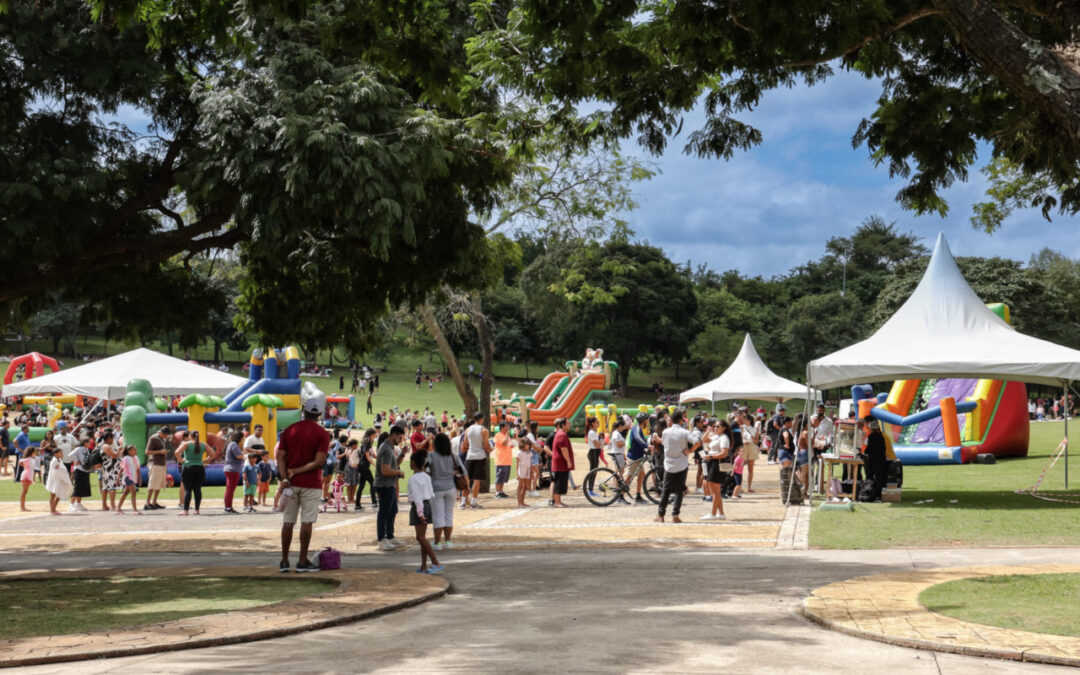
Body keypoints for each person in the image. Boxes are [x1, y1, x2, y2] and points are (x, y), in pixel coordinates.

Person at [277, 390, 331, 573]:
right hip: (311, 483)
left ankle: (284, 560)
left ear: (304, 410)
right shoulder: (322, 434)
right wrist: (297, 471)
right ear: (319, 414)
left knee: (288, 522)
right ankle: (301, 561)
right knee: (307, 522)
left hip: (290, 484)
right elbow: (319, 461)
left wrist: (285, 476)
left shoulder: (289, 430)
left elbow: (280, 456)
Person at [428, 432, 465, 550]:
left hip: (436, 488)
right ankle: (448, 541)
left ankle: (437, 542)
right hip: (450, 487)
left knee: (438, 517)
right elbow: (462, 471)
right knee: (448, 515)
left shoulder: (431, 456)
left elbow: (426, 469)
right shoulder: (454, 456)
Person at [407, 450, 443, 574]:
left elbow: (417, 497)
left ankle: (435, 561)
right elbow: (431, 493)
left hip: (419, 506)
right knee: (423, 538)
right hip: (427, 504)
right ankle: (423, 565)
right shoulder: (427, 476)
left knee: (420, 537)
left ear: (412, 463)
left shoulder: (413, 479)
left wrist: (420, 513)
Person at [374, 424, 407, 551]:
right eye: (400, 438)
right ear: (394, 435)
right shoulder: (387, 449)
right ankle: (382, 539)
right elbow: (385, 470)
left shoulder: (390, 448)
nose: (400, 441)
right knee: (384, 512)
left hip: (390, 484)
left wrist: (403, 454)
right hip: (384, 485)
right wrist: (399, 473)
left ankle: (390, 535)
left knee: (392, 511)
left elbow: (394, 465)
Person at [656, 410, 693, 523]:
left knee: (666, 490)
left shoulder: (666, 432)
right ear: (681, 420)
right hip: (681, 462)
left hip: (669, 464)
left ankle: (661, 515)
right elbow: (697, 441)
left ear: (671, 420)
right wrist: (690, 450)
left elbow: (665, 443)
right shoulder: (685, 432)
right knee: (679, 490)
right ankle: (675, 515)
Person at [176, 430, 214, 516]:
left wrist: (182, 461)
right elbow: (213, 454)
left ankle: (185, 510)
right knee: (197, 489)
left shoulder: (186, 444)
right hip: (200, 467)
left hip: (188, 467)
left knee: (188, 489)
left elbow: (176, 452)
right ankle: (197, 510)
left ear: (190, 436)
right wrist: (205, 461)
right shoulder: (203, 444)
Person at [701, 419, 731, 520]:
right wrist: (708, 431)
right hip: (712, 462)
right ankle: (721, 513)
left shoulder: (724, 438)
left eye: (718, 426)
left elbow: (724, 453)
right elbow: (704, 440)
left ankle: (713, 513)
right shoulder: (717, 437)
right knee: (716, 491)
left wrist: (711, 457)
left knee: (715, 491)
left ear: (724, 428)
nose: (716, 428)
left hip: (716, 464)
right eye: (715, 426)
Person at [461, 412, 490, 509]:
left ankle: (463, 502)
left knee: (467, 480)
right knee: (477, 481)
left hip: (470, 455)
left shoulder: (467, 430)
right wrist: (490, 449)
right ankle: (473, 502)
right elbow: (486, 445)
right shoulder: (484, 430)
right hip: (480, 456)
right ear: (481, 419)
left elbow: (465, 444)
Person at [144, 426, 170, 510]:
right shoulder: (153, 438)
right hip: (155, 464)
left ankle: (154, 502)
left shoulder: (162, 439)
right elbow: (147, 451)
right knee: (152, 484)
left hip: (162, 464)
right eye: (166, 435)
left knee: (159, 484)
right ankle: (147, 503)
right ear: (162, 433)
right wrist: (160, 451)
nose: (167, 437)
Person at [549, 418, 574, 508]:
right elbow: (564, 450)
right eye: (568, 424)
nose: (569, 425)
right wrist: (568, 461)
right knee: (558, 482)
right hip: (560, 463)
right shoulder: (561, 435)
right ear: (563, 425)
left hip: (561, 463)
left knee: (561, 481)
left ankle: (559, 501)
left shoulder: (562, 434)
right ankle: (557, 502)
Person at [862, 417, 888, 502]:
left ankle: (873, 493)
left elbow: (869, 449)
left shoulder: (872, 436)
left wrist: (864, 453)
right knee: (880, 477)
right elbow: (884, 448)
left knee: (873, 477)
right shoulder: (881, 436)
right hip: (881, 458)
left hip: (874, 459)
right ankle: (879, 494)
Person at [626, 414, 650, 503]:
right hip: (634, 457)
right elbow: (638, 439)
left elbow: (643, 440)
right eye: (647, 420)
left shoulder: (639, 428)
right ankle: (620, 496)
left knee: (641, 474)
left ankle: (638, 495)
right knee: (629, 476)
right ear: (643, 420)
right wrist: (647, 445)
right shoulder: (637, 428)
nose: (648, 421)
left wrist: (646, 447)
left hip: (638, 457)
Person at [222, 430, 245, 514]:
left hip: (230, 469)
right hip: (233, 469)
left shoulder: (231, 444)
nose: (243, 439)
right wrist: (244, 455)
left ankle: (228, 507)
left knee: (229, 489)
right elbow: (239, 456)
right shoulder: (234, 445)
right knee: (230, 489)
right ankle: (228, 507)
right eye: (243, 438)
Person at [99, 430, 122, 512]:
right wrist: (119, 450)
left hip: (109, 469)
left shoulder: (105, 445)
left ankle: (104, 505)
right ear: (108, 438)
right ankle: (112, 506)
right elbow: (114, 456)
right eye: (112, 438)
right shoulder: (106, 446)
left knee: (105, 487)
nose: (113, 440)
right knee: (111, 487)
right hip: (110, 469)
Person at [355, 428, 378, 511]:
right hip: (363, 466)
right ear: (371, 434)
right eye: (375, 434)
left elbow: (374, 455)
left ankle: (357, 504)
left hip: (363, 466)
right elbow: (368, 457)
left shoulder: (369, 443)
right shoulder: (366, 443)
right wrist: (375, 465)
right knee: (373, 482)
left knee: (362, 485)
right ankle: (374, 502)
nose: (376, 436)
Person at [115, 444, 142, 515]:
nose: (136, 451)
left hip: (133, 477)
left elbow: (138, 469)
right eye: (134, 449)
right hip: (127, 477)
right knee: (133, 491)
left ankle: (118, 508)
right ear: (129, 451)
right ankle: (135, 510)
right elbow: (121, 469)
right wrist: (118, 479)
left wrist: (140, 479)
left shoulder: (136, 458)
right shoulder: (126, 458)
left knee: (125, 493)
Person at [45, 446, 71, 515]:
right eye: (60, 452)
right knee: (53, 495)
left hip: (59, 480)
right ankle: (52, 510)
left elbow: (62, 470)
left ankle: (54, 508)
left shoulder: (60, 460)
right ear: (55, 454)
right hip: (54, 480)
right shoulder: (54, 461)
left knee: (59, 495)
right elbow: (55, 471)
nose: (61, 453)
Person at [68, 438, 92, 512]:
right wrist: (76, 460)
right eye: (89, 442)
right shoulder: (79, 448)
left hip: (85, 470)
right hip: (79, 469)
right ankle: (71, 504)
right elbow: (70, 455)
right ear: (85, 443)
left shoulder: (87, 450)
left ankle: (78, 503)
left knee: (83, 487)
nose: (90, 444)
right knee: (77, 487)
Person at [492, 421, 514, 499]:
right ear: (501, 428)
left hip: (507, 460)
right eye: (506, 426)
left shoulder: (507, 436)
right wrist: (508, 434)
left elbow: (510, 445)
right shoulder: (498, 435)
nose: (508, 428)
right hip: (501, 460)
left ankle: (501, 491)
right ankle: (497, 492)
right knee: (500, 476)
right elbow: (504, 443)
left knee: (504, 477)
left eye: (508, 426)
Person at [515, 427, 533, 507]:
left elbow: (530, 463)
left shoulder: (530, 453)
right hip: (521, 470)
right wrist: (517, 474)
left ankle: (523, 502)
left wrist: (531, 472)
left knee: (525, 486)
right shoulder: (519, 453)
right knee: (520, 486)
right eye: (526, 445)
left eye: (529, 445)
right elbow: (517, 464)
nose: (528, 446)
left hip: (527, 470)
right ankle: (519, 503)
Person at [18, 446, 36, 512]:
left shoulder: (30, 459)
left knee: (25, 492)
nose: (35, 453)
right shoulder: (28, 459)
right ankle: (22, 507)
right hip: (26, 476)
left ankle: (23, 507)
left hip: (28, 476)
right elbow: (20, 461)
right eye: (34, 452)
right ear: (31, 452)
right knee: (24, 492)